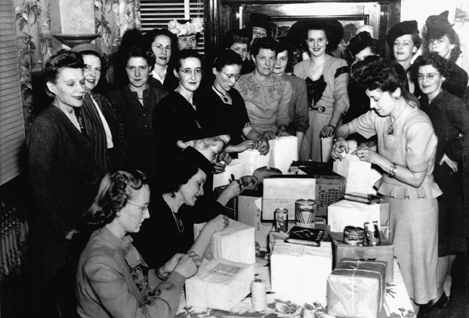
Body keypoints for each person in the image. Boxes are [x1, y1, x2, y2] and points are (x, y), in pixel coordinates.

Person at [331, 58, 441, 314]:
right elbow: (347, 126)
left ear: (396, 92)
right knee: (391, 271)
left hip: (417, 208)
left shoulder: (418, 124)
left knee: (413, 278)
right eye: (370, 98)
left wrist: (378, 160)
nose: (372, 104)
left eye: (377, 98)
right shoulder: (381, 114)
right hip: (390, 200)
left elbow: (416, 178)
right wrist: (339, 139)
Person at [76, 170, 201, 318]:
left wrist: (161, 272)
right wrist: (178, 276)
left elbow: (132, 284)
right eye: (142, 208)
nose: (147, 215)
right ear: (118, 207)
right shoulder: (100, 263)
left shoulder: (113, 239)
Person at [27, 50, 95, 316]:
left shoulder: (75, 114)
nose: (80, 89)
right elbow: (38, 185)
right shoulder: (45, 125)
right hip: (58, 234)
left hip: (77, 223)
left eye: (81, 82)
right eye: (70, 84)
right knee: (62, 303)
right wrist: (65, 230)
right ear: (51, 87)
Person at [411, 52, 469, 307]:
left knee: (444, 236)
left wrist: (451, 152)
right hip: (429, 177)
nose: (425, 80)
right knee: (435, 234)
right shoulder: (422, 103)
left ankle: (437, 294)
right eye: (421, 76)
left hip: (447, 180)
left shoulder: (452, 103)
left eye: (431, 76)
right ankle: (435, 290)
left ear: (443, 77)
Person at [132, 151, 231, 269]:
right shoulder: (154, 216)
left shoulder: (182, 209)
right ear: (181, 177)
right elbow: (176, 270)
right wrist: (209, 229)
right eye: (199, 184)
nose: (201, 192)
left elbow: (210, 212)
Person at [109, 29, 167, 180]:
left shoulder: (162, 96)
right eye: (131, 68)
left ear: (150, 68)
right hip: (128, 168)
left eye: (142, 68)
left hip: (160, 165)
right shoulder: (114, 99)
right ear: (125, 69)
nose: (137, 74)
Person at [291, 19, 350, 161]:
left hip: (327, 124)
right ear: (306, 41)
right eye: (311, 40)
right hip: (303, 126)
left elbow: (341, 100)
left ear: (327, 41)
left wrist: (332, 125)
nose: (316, 45)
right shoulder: (298, 68)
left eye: (320, 40)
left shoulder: (339, 65)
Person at [71, 43, 127, 191]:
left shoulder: (101, 99)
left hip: (112, 178)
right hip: (90, 186)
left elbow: (120, 136)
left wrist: (118, 174)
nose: (93, 74)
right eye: (87, 68)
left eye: (97, 69)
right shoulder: (71, 105)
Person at [198, 50, 269, 156]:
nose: (233, 81)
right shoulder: (203, 98)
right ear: (215, 71)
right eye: (229, 75)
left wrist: (260, 139)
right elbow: (203, 140)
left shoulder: (235, 95)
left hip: (238, 155)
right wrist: (234, 148)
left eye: (237, 76)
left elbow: (247, 129)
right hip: (215, 157)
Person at [153, 49, 207, 158]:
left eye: (197, 70)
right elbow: (168, 151)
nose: (193, 76)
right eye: (187, 71)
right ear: (176, 73)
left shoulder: (206, 102)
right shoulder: (166, 107)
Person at [235, 37, 292, 139]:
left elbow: (283, 116)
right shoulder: (238, 83)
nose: (267, 63)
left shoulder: (284, 85)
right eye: (262, 58)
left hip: (273, 137)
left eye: (271, 58)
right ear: (253, 58)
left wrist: (282, 128)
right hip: (245, 138)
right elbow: (236, 120)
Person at [273, 36, 309, 153]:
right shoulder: (257, 82)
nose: (278, 63)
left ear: (288, 59)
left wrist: (296, 151)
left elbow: (301, 121)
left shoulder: (298, 83)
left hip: (287, 140)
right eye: (275, 58)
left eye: (283, 58)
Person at [423, 10, 468, 100]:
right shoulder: (423, 69)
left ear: (452, 45)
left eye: (440, 41)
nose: (434, 45)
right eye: (431, 41)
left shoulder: (458, 74)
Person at [386, 20, 422, 96]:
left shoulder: (419, 73)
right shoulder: (385, 72)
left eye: (405, 43)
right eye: (396, 43)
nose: (399, 47)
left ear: (414, 48)